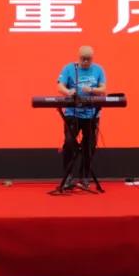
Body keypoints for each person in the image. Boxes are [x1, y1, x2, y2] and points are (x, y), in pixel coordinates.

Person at [56, 45, 106, 190]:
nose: (85, 62)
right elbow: (60, 86)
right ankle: (68, 176)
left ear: (92, 58)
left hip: (91, 114)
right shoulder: (69, 68)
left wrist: (92, 89)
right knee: (69, 143)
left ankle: (84, 176)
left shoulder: (98, 69)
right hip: (72, 113)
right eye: (83, 59)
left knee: (89, 145)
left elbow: (103, 89)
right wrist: (68, 92)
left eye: (88, 59)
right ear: (78, 57)